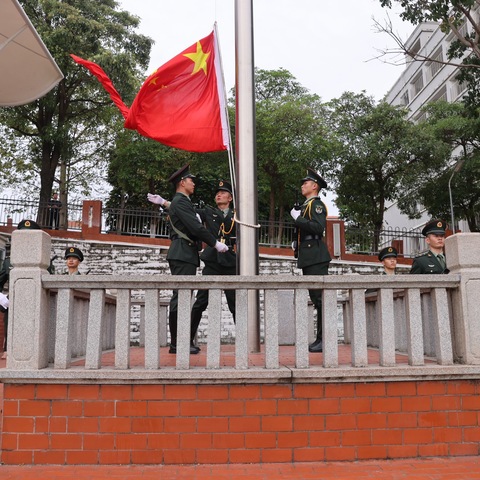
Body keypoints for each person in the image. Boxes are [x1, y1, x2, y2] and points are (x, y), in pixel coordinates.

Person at [149, 164, 228, 355]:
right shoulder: (181, 201)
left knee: (183, 297)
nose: (194, 184)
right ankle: (178, 343)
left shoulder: (180, 202)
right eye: (191, 181)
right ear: (182, 182)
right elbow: (196, 228)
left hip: (185, 252)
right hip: (183, 253)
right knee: (181, 298)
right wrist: (215, 243)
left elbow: (185, 216)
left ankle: (180, 342)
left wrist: (163, 202)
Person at [290, 168, 331, 353]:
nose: (302, 185)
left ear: (314, 186)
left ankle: (324, 339)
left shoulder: (316, 205)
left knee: (320, 300)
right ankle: (320, 339)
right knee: (316, 299)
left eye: (306, 183)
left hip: (315, 256)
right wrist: (296, 242)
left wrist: (298, 219)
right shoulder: (307, 205)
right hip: (309, 255)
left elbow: (318, 227)